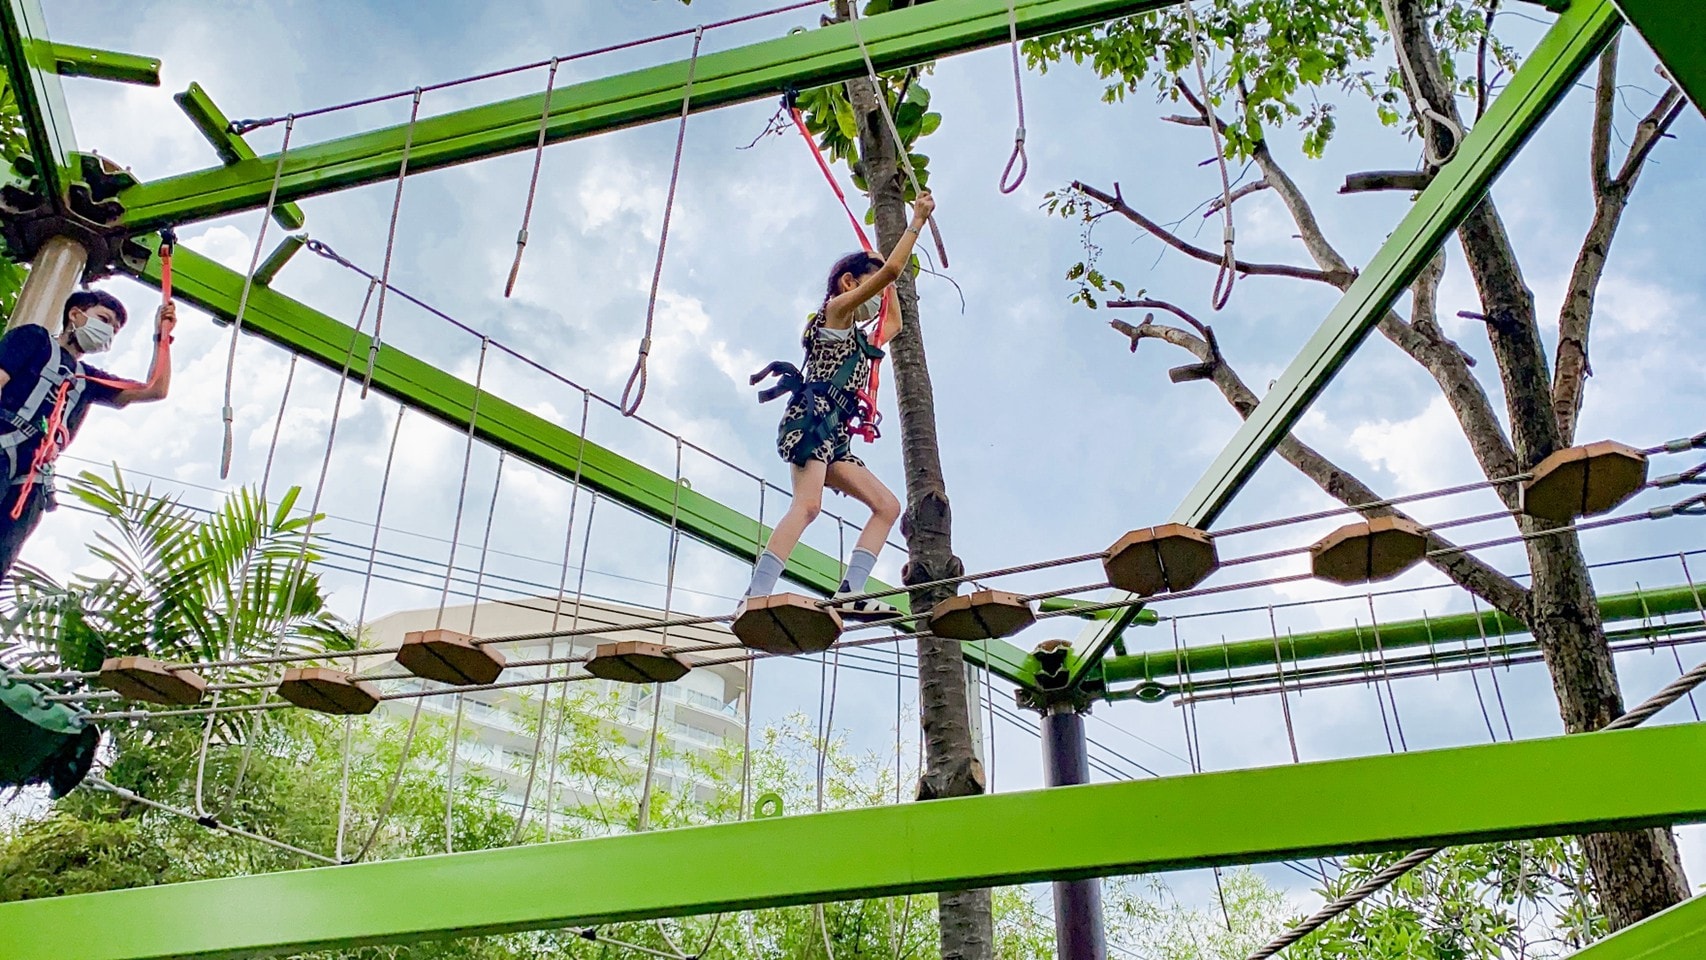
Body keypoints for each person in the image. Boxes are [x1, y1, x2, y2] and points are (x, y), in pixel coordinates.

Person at [745, 192, 936, 618]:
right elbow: (890, 271)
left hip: (835, 436)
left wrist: (889, 281)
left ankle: (850, 591)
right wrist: (916, 223)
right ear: (850, 284)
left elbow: (894, 321)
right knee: (808, 506)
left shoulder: (858, 341)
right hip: (811, 422)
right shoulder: (831, 315)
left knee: (887, 506)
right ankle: (756, 595)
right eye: (865, 286)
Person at [0, 289, 176, 577]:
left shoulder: (88, 380)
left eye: (114, 329)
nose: (107, 331)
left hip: (32, 479)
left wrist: (162, 337)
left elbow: (155, 389)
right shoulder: (33, 340)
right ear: (76, 314)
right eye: (103, 319)